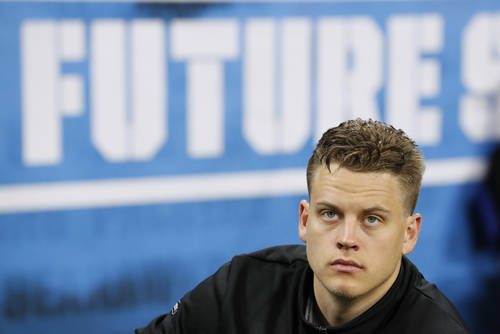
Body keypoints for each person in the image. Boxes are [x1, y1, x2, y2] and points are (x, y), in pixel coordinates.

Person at [136, 119, 470, 334]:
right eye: (330, 214)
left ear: (409, 234)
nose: (346, 238)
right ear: (305, 220)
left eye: (372, 219)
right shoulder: (242, 287)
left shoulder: (435, 328)